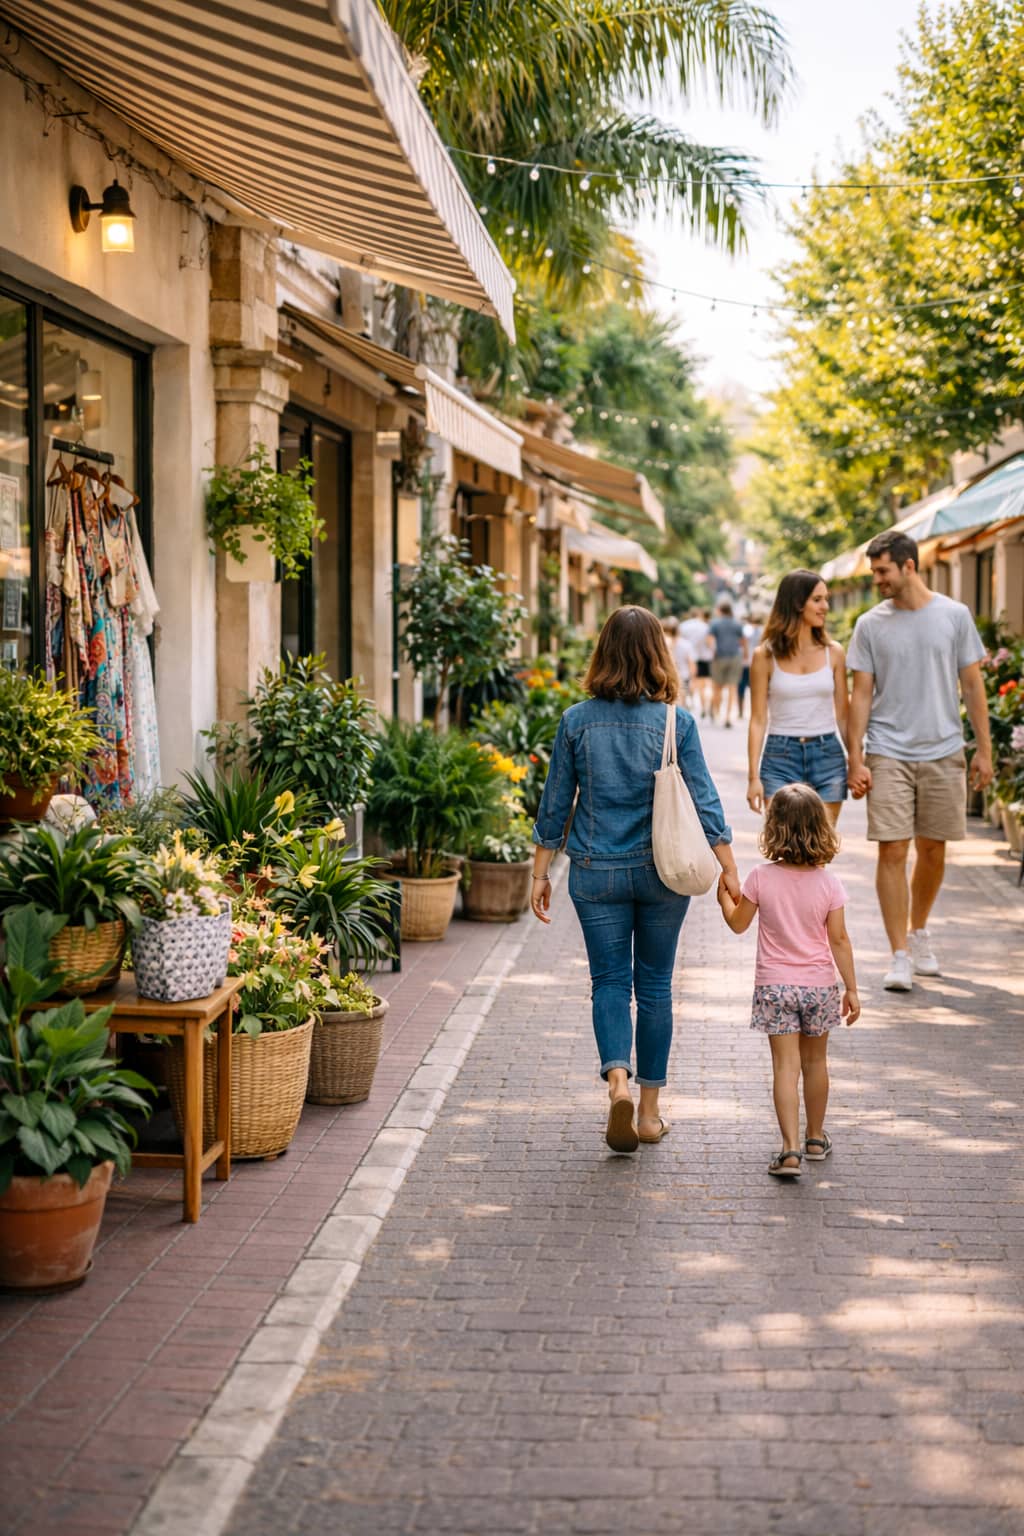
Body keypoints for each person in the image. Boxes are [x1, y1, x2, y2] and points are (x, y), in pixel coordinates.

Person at [530, 606, 738, 1154]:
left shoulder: (576, 721)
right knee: (655, 987)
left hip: (595, 872)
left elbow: (555, 805)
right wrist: (729, 865)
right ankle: (648, 1114)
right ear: (657, 654)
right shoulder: (677, 722)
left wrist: (540, 872)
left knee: (609, 983)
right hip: (662, 874)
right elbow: (705, 799)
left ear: (602, 653)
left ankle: (616, 1081)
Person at [846, 529, 993, 992]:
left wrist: (983, 750)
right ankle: (899, 954)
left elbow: (973, 686)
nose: (877, 580)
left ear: (909, 566)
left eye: (883, 570)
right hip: (888, 751)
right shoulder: (870, 624)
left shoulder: (954, 616)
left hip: (943, 748)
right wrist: (856, 756)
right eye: (874, 572)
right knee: (892, 849)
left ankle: (919, 931)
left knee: (933, 849)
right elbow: (862, 693)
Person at [717, 783, 860, 1178]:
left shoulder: (761, 879)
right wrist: (851, 988)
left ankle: (790, 1149)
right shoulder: (830, 884)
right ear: (821, 829)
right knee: (816, 1063)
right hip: (819, 987)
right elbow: (840, 940)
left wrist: (724, 899)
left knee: (785, 1067)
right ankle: (816, 1137)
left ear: (773, 828)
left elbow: (738, 924)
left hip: (774, 988)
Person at [747, 571, 850, 825]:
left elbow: (844, 716)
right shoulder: (765, 656)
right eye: (817, 599)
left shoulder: (834, 653)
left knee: (820, 849)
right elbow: (758, 719)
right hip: (780, 758)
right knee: (782, 845)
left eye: (825, 599)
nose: (825, 606)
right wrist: (753, 778)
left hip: (828, 756)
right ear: (796, 603)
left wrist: (856, 762)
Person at [709, 599, 749, 728]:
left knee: (717, 687)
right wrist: (745, 654)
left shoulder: (715, 623)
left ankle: (716, 713)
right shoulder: (737, 624)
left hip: (720, 656)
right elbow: (743, 641)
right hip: (735, 657)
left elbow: (709, 640)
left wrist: (713, 651)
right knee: (733, 688)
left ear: (720, 610)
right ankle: (728, 717)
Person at [680, 606, 712, 716]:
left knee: (689, 682)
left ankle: (691, 701)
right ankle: (704, 707)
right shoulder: (705, 626)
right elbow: (709, 643)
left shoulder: (683, 626)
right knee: (703, 685)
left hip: (686, 658)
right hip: (703, 658)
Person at [661, 614, 697, 706]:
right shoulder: (686, 644)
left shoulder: (662, 644)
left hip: (666, 677)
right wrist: (693, 680)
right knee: (681, 703)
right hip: (682, 677)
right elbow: (692, 664)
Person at [738, 611, 764, 718]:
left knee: (741, 687)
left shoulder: (745, 629)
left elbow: (740, 643)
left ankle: (741, 711)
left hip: (745, 663)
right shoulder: (763, 630)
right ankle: (757, 711)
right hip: (759, 663)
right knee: (758, 689)